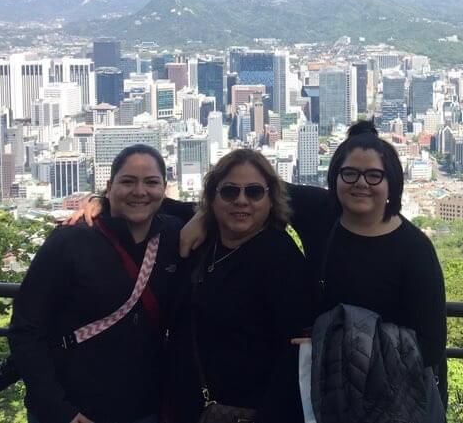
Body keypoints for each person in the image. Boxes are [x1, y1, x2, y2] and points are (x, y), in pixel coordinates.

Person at [175, 121, 448, 402]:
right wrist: (203, 215)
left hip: (391, 396)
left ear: (392, 183)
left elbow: (431, 345)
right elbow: (251, 187)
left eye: (375, 176)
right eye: (350, 173)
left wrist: (336, 345)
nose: (361, 183)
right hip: (327, 392)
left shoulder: (414, 250)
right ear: (335, 178)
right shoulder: (321, 212)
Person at [9, 144, 182, 423]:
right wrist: (60, 410)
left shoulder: (174, 235)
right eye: (127, 182)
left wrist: (101, 200)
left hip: (146, 408)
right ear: (109, 185)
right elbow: (26, 330)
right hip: (72, 408)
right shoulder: (70, 241)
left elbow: (232, 207)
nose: (139, 191)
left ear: (165, 188)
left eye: (151, 182)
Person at [168, 149, 312, 423]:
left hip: (252, 412)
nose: (242, 201)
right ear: (213, 198)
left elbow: (292, 352)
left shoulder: (281, 257)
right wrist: (99, 202)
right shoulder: (204, 245)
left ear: (271, 200)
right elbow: (155, 204)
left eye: (255, 192)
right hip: (189, 409)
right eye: (230, 192)